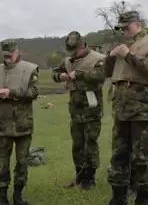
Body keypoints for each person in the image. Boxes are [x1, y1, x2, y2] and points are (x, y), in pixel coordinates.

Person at [104, 11, 148, 205]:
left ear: (137, 25)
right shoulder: (120, 47)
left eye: (126, 27)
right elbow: (105, 73)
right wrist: (111, 57)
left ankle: (142, 198)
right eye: (121, 28)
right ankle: (118, 197)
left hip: (142, 112)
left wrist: (128, 55)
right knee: (119, 156)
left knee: (141, 159)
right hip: (121, 112)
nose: (123, 31)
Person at [0, 39, 39, 205]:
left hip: (23, 125)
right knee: (2, 163)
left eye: (10, 55)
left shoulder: (30, 69)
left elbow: (33, 92)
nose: (7, 59)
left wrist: (11, 92)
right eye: (5, 56)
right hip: (3, 125)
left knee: (22, 162)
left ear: (17, 51)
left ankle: (18, 196)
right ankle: (2, 196)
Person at [51, 31, 106, 190]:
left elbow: (100, 76)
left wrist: (79, 74)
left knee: (90, 144)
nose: (72, 54)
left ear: (82, 47)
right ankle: (80, 177)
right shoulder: (68, 60)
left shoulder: (98, 58)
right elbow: (55, 73)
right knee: (77, 145)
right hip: (75, 110)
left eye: (74, 51)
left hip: (92, 110)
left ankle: (90, 178)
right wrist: (60, 76)